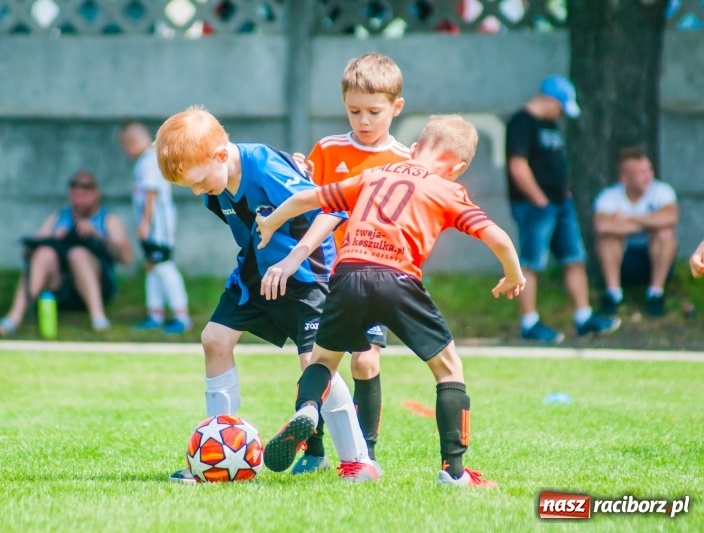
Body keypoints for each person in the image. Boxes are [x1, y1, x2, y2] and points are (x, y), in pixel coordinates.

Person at [258, 115, 524, 487]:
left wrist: (271, 222)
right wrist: (513, 275)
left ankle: (308, 409)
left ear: (414, 149)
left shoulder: (374, 175)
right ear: (458, 168)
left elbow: (310, 198)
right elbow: (498, 237)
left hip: (347, 274)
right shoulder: (448, 189)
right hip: (397, 278)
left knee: (323, 361)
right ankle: (454, 472)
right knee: (448, 368)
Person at [154, 106, 376, 483]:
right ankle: (218, 457)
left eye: (199, 181)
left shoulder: (264, 166)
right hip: (257, 273)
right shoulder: (215, 184)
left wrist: (293, 258)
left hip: (307, 275)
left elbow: (333, 209)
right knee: (214, 339)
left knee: (315, 365)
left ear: (220, 155)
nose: (198, 192)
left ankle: (359, 462)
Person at [289, 53, 410, 475]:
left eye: (373, 112)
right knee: (316, 361)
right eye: (354, 111)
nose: (363, 120)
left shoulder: (405, 161)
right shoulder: (327, 150)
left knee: (365, 361)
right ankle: (313, 449)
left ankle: (365, 454)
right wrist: (298, 173)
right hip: (326, 276)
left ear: (396, 107)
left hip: (375, 276)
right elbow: (307, 199)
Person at [506, 75, 621, 343]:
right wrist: (539, 198)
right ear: (549, 99)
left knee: (574, 258)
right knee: (531, 262)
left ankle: (583, 317)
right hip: (536, 206)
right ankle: (529, 322)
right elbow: (518, 166)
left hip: (560, 203)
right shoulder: (522, 122)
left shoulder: (550, 124)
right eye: (560, 106)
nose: (561, 113)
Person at [0, 171, 133, 335]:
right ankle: (14, 318)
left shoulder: (109, 220)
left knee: (78, 254)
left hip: (99, 286)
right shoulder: (58, 218)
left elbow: (127, 259)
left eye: (84, 195)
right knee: (44, 253)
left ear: (96, 194)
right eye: (75, 195)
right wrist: (53, 239)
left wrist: (96, 236)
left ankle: (99, 319)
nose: (79, 200)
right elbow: (30, 252)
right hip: (60, 286)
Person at [119, 120, 192, 334]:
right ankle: (155, 314)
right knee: (152, 266)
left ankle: (182, 316)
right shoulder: (146, 160)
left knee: (163, 265)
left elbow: (151, 192)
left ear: (132, 142)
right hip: (153, 226)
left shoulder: (151, 160)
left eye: (125, 145)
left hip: (157, 226)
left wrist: (145, 222)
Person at [594, 148, 678, 317]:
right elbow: (602, 226)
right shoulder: (609, 196)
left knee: (664, 233)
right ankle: (613, 294)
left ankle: (655, 294)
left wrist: (628, 218)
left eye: (649, 170)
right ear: (624, 178)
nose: (648, 176)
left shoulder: (662, 191)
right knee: (607, 239)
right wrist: (650, 222)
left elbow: (671, 217)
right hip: (623, 259)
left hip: (653, 257)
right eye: (641, 173)